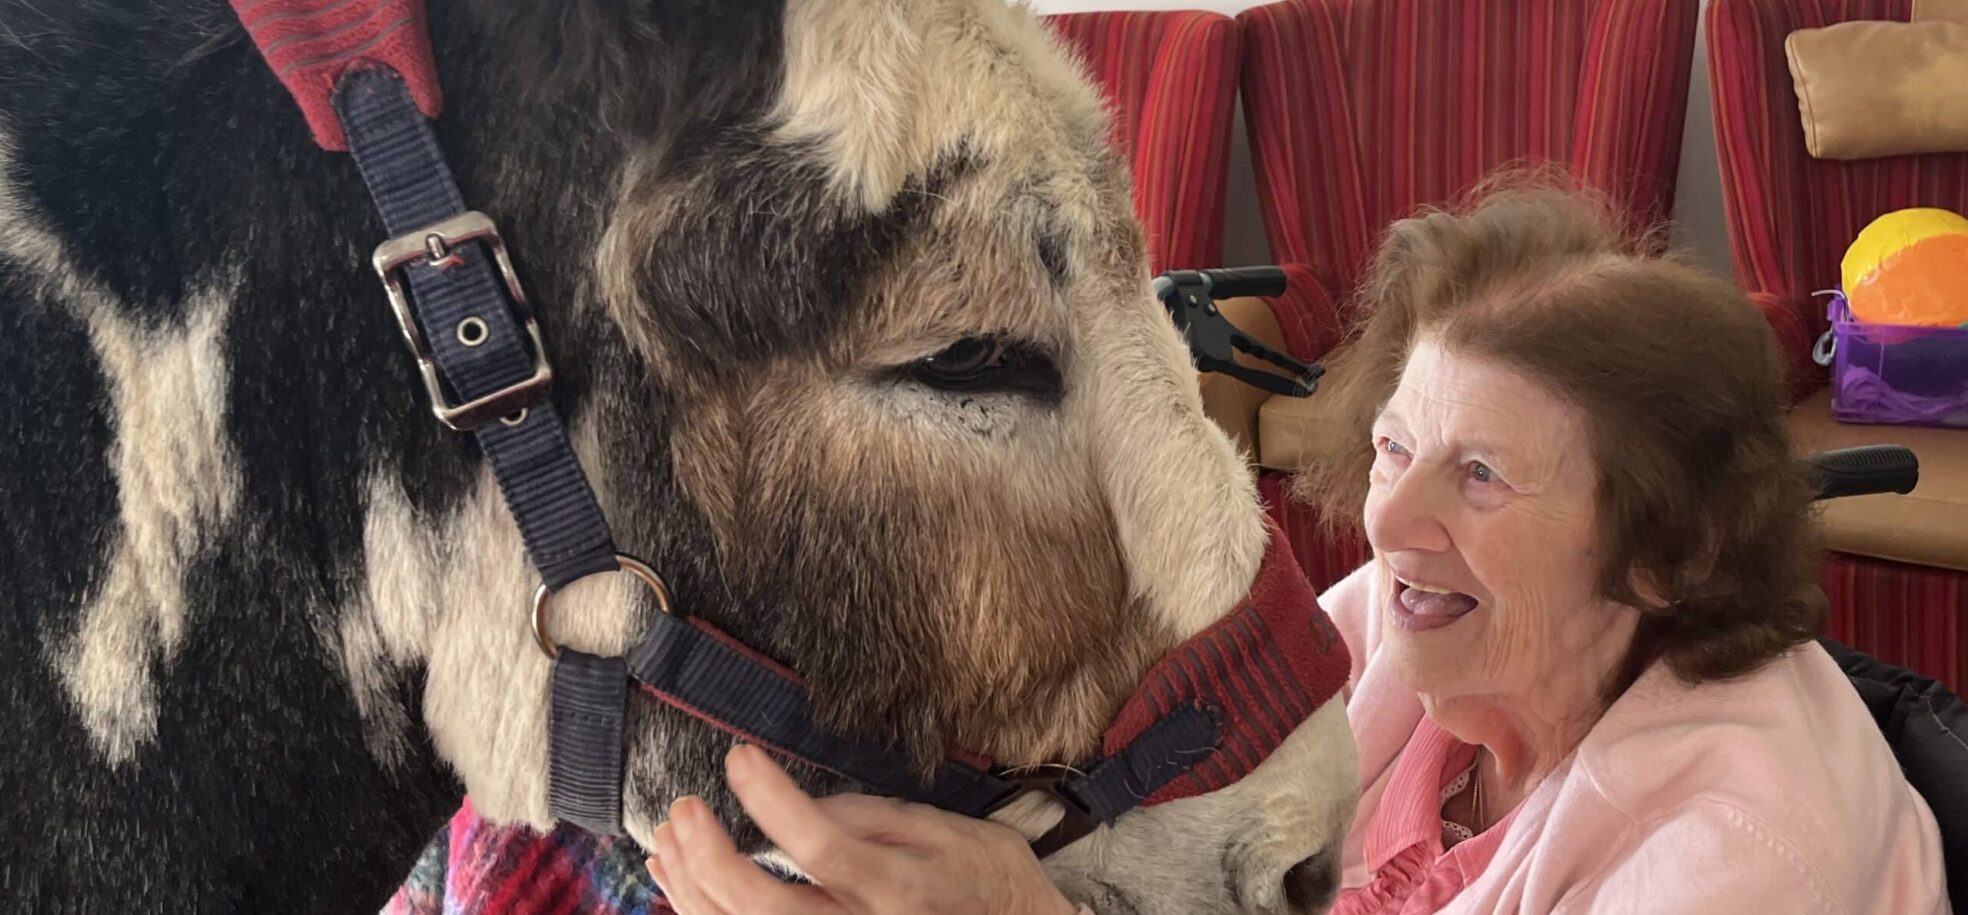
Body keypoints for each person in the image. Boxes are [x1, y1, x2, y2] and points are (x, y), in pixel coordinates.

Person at [642, 186, 1951, 914]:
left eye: (1481, 477)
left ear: (1667, 553)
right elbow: (1167, 849)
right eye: (1394, 449)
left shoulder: (1741, 856)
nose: (1386, 524)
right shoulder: (1399, 629)